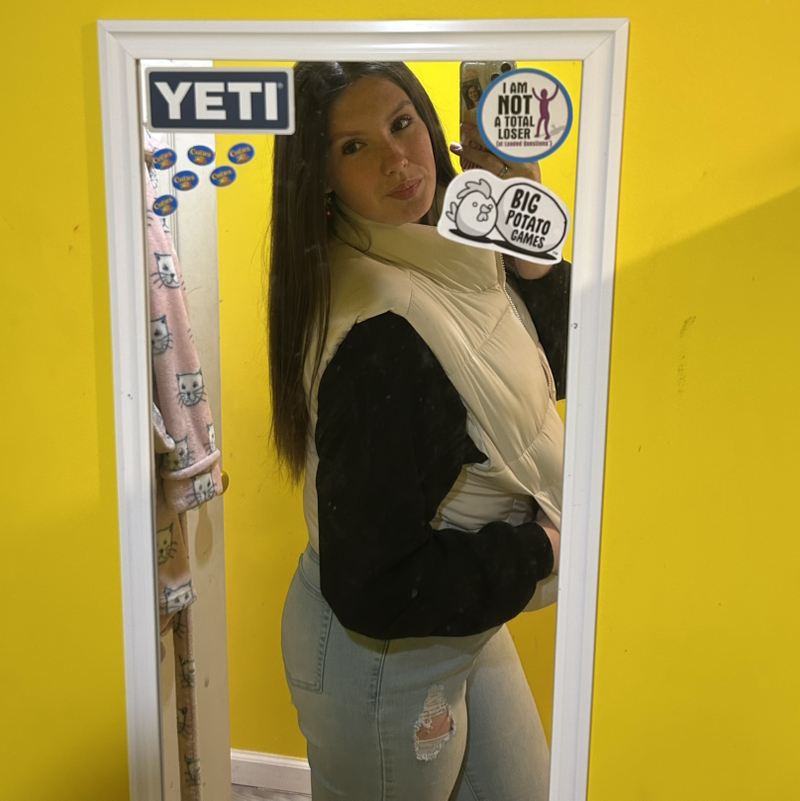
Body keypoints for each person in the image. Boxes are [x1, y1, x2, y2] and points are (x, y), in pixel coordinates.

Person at [269, 61, 570, 801]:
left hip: (457, 619)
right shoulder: (381, 330)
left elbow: (545, 374)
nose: (398, 160)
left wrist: (525, 242)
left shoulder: (438, 245)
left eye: (402, 123)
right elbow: (372, 581)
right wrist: (539, 550)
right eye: (355, 146)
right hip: (382, 656)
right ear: (321, 177)